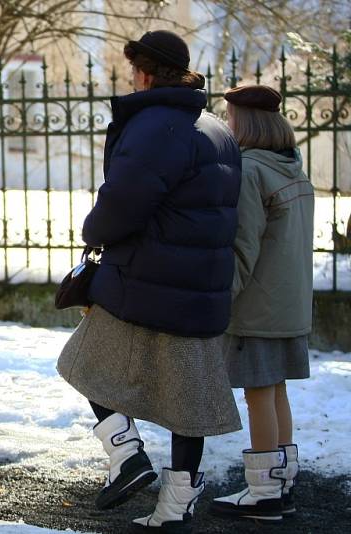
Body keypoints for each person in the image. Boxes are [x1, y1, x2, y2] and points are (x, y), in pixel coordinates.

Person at [56, 30, 242, 532]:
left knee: (82, 361)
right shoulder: (216, 128)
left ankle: (127, 455)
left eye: (132, 67)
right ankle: (176, 504)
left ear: (143, 70)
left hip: (144, 280)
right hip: (200, 288)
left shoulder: (154, 125)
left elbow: (124, 202)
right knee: (190, 405)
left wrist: (93, 230)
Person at [210, 85, 314, 522]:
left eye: (231, 117)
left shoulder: (251, 169)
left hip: (258, 307)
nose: (228, 125)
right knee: (275, 391)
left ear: (246, 122)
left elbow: (243, 245)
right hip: (290, 305)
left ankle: (264, 492)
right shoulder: (291, 166)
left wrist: (219, 301)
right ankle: (280, 479)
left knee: (258, 394)